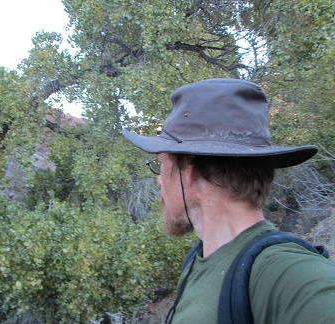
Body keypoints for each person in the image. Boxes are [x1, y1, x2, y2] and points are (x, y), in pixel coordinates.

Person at [122, 78, 335, 323]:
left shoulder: (285, 273)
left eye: (160, 165)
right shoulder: (200, 259)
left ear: (188, 172)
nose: (160, 181)